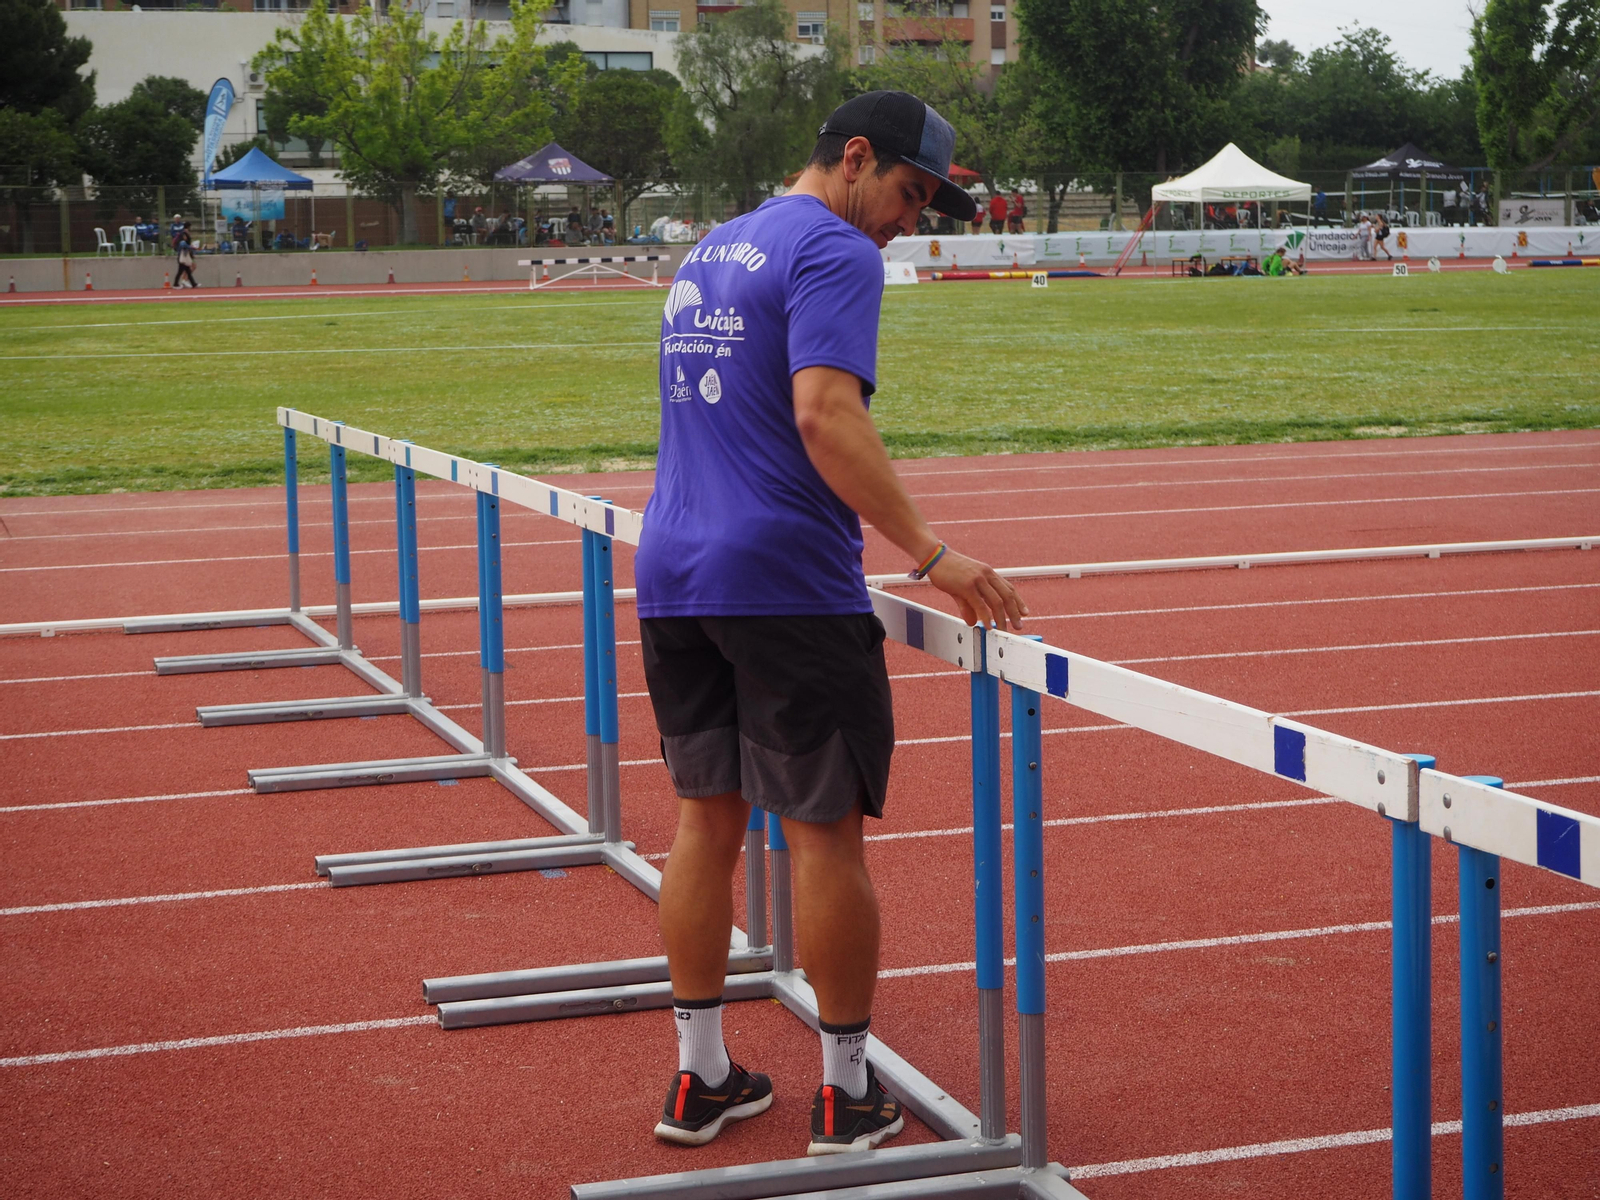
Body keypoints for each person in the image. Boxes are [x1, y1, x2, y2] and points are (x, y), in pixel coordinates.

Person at [636, 89, 1026, 1156]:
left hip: (674, 571)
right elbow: (822, 411)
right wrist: (933, 554)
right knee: (821, 836)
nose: (910, 221)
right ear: (856, 158)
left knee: (702, 823)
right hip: (784, 583)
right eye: (907, 193)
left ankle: (701, 1078)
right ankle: (847, 1093)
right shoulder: (838, 252)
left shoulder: (711, 248)